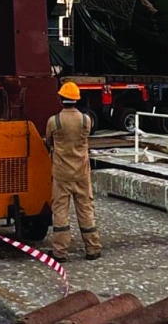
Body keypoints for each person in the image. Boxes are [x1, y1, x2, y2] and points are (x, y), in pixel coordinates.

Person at [45, 81, 102, 262]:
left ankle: (60, 252)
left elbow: (49, 142)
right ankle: (92, 248)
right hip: (82, 173)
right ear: (77, 99)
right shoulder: (87, 120)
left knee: (61, 211)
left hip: (62, 174)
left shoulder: (54, 121)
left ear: (61, 99)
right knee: (86, 209)